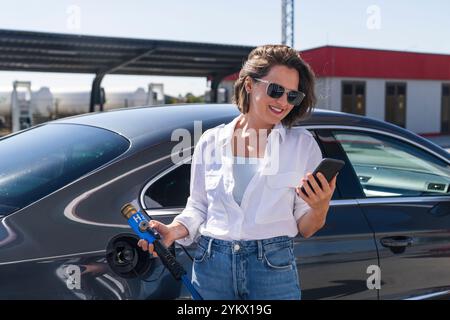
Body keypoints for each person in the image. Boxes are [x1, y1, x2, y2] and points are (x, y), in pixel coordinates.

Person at [138, 44, 337, 300]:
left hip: (273, 268)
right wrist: (174, 230)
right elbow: (198, 206)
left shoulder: (302, 145)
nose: (283, 102)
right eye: (276, 90)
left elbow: (307, 228)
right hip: (212, 267)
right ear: (250, 84)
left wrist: (320, 207)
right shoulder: (210, 141)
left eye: (292, 96)